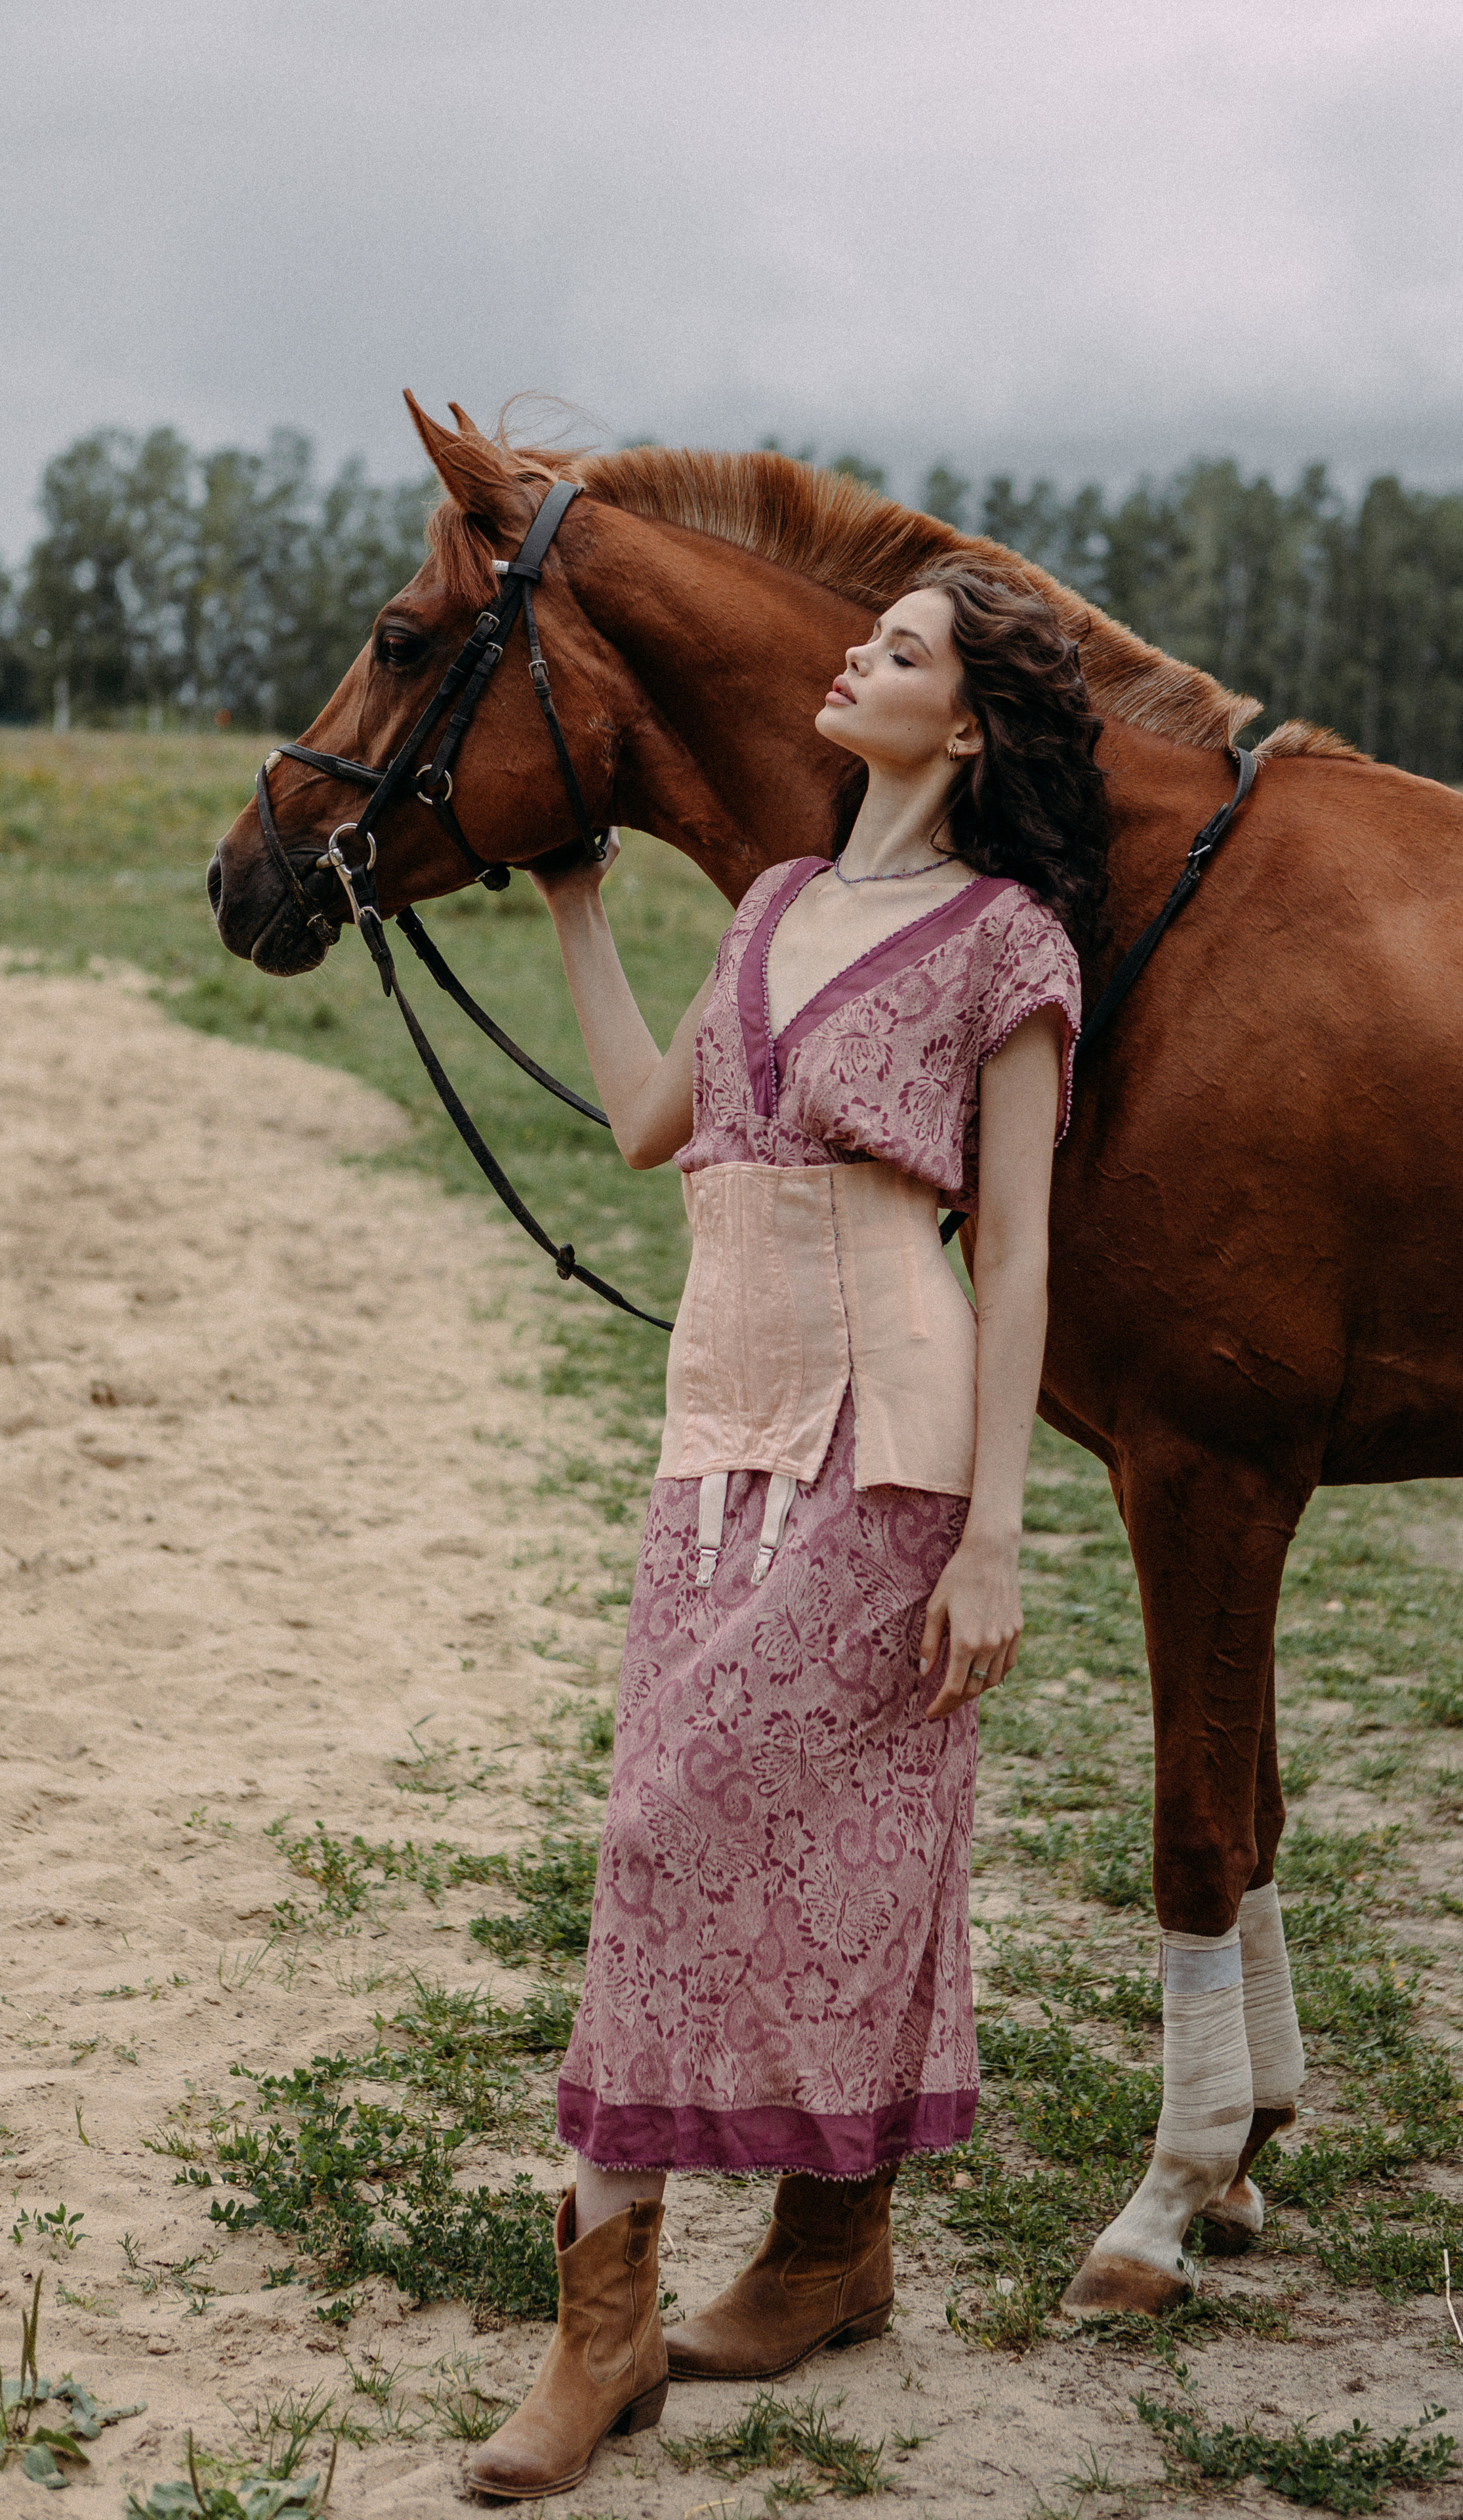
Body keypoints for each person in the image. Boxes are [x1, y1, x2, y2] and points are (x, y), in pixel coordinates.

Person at [467, 562, 1107, 2501]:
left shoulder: (1014, 949)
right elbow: (653, 1124)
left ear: (969, 726)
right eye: (870, 637)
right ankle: (824, 2259)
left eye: (901, 651)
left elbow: (1016, 1259)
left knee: (698, 1830)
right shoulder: (766, 905)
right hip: (712, 1449)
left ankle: (603, 2337)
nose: (859, 658)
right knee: (737, 1827)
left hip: (892, 1452)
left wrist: (996, 1535)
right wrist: (581, 906)